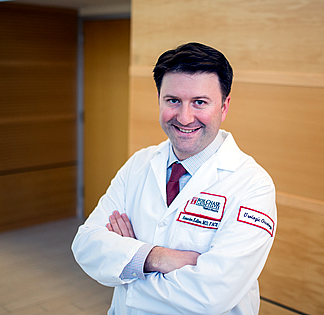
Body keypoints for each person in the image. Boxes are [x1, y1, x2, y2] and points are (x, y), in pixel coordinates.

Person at [72, 42, 276, 315]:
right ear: (159, 99)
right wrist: (158, 258)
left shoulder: (252, 185)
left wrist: (129, 266)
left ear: (224, 107)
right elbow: (86, 243)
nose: (184, 117)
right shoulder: (139, 164)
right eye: (173, 101)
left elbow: (211, 294)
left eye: (200, 102)